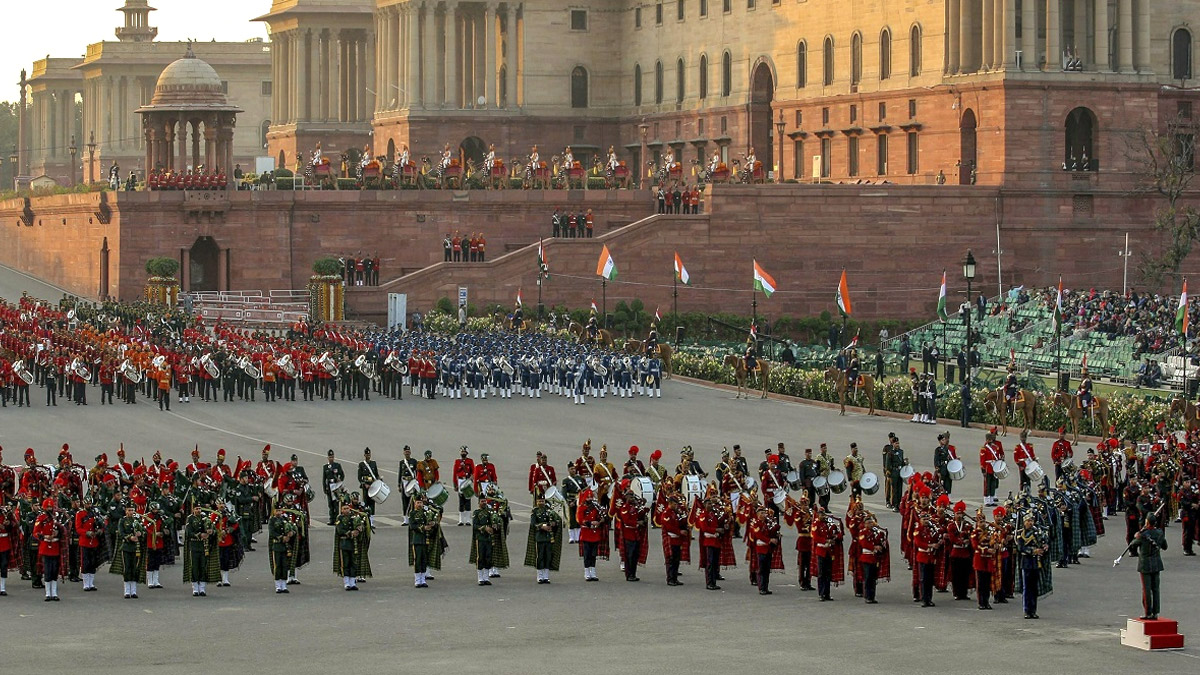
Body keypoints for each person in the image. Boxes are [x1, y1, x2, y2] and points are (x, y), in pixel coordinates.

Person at [1128, 514, 1167, 620]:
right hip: (1156, 563)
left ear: (1147, 523)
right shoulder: (1159, 533)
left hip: (1145, 564)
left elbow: (1132, 545)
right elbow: (1165, 546)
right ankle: (1155, 612)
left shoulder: (1143, 535)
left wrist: (1136, 535)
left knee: (1146, 589)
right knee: (1155, 589)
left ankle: (1147, 612)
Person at [526, 494, 563, 584]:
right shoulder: (535, 511)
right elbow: (533, 524)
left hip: (549, 537)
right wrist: (542, 526)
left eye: (542, 501)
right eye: (539, 501)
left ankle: (546, 576)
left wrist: (554, 523)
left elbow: (558, 519)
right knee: (540, 556)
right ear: (536, 502)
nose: (541, 503)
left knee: (548, 556)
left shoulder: (549, 510)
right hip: (540, 537)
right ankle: (540, 575)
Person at [471, 496, 507, 585]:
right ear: (479, 503)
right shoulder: (476, 513)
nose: (484, 502)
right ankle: (480, 578)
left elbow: (495, 521)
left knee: (488, 557)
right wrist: (484, 528)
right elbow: (475, 526)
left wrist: (496, 525)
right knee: (480, 557)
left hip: (489, 538)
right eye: (482, 501)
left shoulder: (490, 512)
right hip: (480, 538)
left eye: (484, 501)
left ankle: (486, 578)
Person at [857, 510, 889, 604]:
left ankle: (872, 596)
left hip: (875, 558)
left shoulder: (877, 532)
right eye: (868, 523)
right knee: (868, 577)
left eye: (871, 522)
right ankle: (867, 595)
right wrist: (874, 547)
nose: (871, 524)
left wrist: (882, 545)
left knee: (873, 578)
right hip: (867, 557)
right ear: (865, 524)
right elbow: (864, 543)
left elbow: (881, 540)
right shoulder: (863, 532)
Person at [357, 448, 381, 523]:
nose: (368, 456)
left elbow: (376, 474)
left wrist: (378, 480)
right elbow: (359, 477)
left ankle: (372, 521)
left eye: (369, 454)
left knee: (372, 503)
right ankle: (366, 520)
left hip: (373, 486)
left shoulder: (373, 463)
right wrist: (364, 484)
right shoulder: (361, 464)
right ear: (364, 455)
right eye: (367, 455)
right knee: (365, 503)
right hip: (366, 487)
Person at [322, 450, 345, 525]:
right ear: (327, 457)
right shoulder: (325, 467)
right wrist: (324, 488)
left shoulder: (337, 465)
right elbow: (324, 478)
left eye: (332, 457)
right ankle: (331, 519)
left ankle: (337, 519)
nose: (331, 458)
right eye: (330, 457)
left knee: (336, 504)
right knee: (330, 504)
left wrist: (339, 480)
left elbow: (342, 475)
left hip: (336, 487)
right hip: (329, 487)